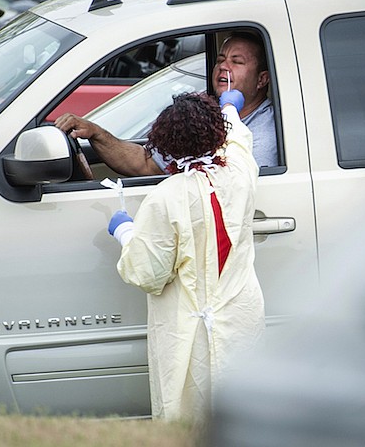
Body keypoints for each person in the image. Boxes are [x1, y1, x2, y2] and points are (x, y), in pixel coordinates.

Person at [107, 90, 266, 422]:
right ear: (216, 132)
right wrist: (228, 109)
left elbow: (148, 273)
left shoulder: (167, 197)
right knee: (242, 416)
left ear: (166, 143)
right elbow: (239, 139)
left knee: (190, 421)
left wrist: (125, 231)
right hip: (240, 319)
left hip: (188, 335)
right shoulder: (240, 170)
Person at [55, 31, 277, 174]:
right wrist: (96, 133)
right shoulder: (205, 117)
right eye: (220, 60)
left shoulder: (265, 134)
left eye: (236, 62)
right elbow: (145, 162)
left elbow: (237, 188)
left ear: (262, 79)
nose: (223, 66)